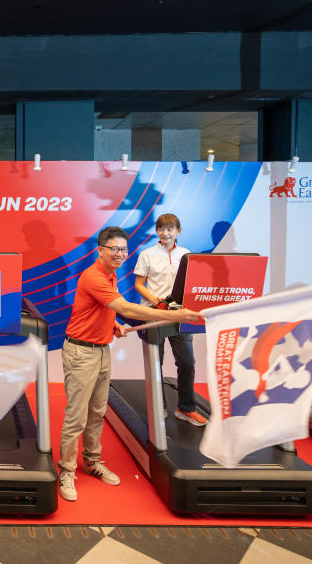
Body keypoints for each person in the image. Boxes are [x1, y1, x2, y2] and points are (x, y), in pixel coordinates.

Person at [59, 226, 198, 502]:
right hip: (81, 353)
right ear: (101, 251)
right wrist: (177, 315)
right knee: (77, 416)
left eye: (124, 249)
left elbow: (105, 310)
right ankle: (66, 471)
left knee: (97, 411)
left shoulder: (110, 275)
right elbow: (126, 307)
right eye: (115, 249)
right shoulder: (94, 276)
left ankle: (92, 461)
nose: (121, 254)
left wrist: (115, 325)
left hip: (101, 351)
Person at [133, 214, 207, 426]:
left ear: (178, 231)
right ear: (157, 231)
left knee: (187, 362)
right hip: (153, 312)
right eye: (161, 229)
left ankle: (185, 408)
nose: (165, 233)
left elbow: (192, 284)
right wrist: (151, 297)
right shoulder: (147, 254)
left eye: (169, 229)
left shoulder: (187, 254)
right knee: (156, 362)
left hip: (179, 314)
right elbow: (139, 284)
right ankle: (159, 406)